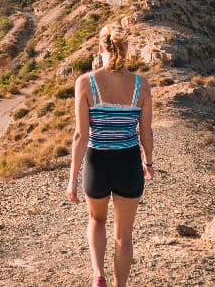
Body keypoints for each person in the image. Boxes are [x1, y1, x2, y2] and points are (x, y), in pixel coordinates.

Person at [67, 24, 154, 287]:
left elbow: (80, 135)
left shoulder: (86, 83)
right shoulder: (142, 84)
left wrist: (72, 179)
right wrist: (148, 163)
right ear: (126, 51)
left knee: (96, 220)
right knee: (123, 237)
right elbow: (146, 132)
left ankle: (98, 275)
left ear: (101, 48)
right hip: (128, 164)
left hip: (97, 164)